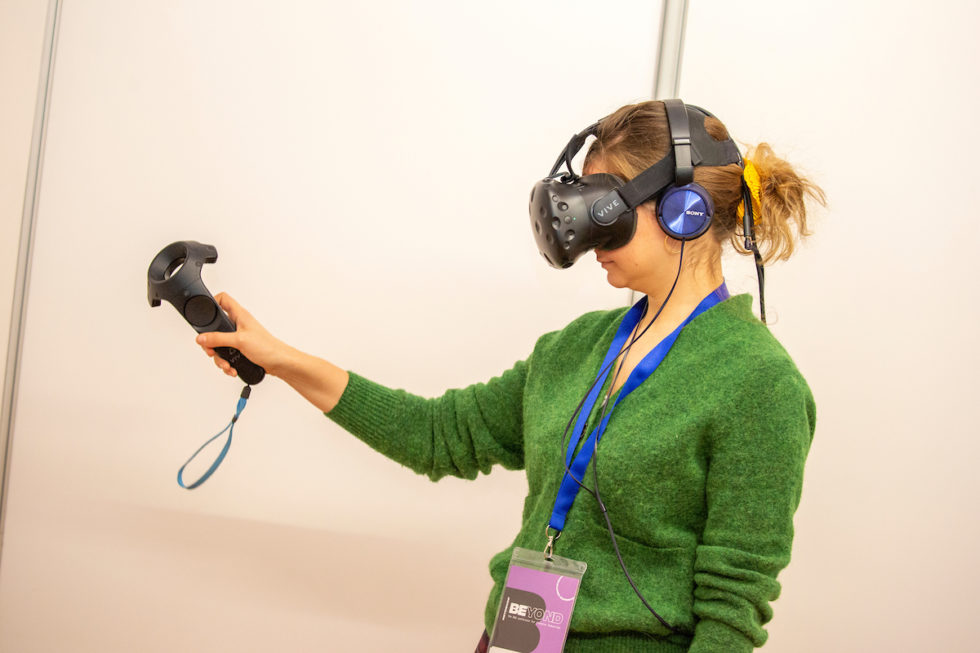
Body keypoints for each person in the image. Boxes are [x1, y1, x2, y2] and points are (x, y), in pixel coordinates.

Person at [196, 100, 825, 652]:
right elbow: (438, 434)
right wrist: (280, 358)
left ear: (683, 210)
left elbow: (731, 610)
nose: (585, 238)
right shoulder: (576, 347)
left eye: (605, 211)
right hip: (515, 639)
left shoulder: (758, 383)